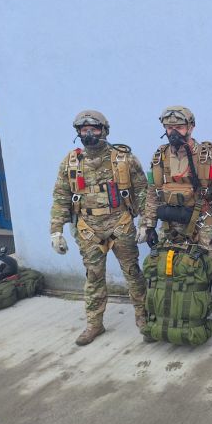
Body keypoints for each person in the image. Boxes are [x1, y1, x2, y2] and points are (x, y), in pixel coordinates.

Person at [137, 106, 212, 348]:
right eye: (169, 127)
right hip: (170, 222)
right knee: (166, 272)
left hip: (204, 221)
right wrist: (148, 225)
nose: (174, 131)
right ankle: (165, 319)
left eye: (179, 127)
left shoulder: (208, 155)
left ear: (191, 127)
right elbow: (152, 192)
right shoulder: (159, 156)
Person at [50, 110, 148, 346]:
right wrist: (56, 230)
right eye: (84, 130)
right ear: (78, 132)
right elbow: (61, 197)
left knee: (133, 273)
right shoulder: (71, 162)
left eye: (94, 129)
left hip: (121, 225)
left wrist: (146, 222)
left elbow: (143, 191)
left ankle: (144, 319)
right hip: (88, 229)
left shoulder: (124, 159)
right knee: (93, 277)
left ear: (104, 130)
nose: (89, 134)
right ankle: (94, 324)